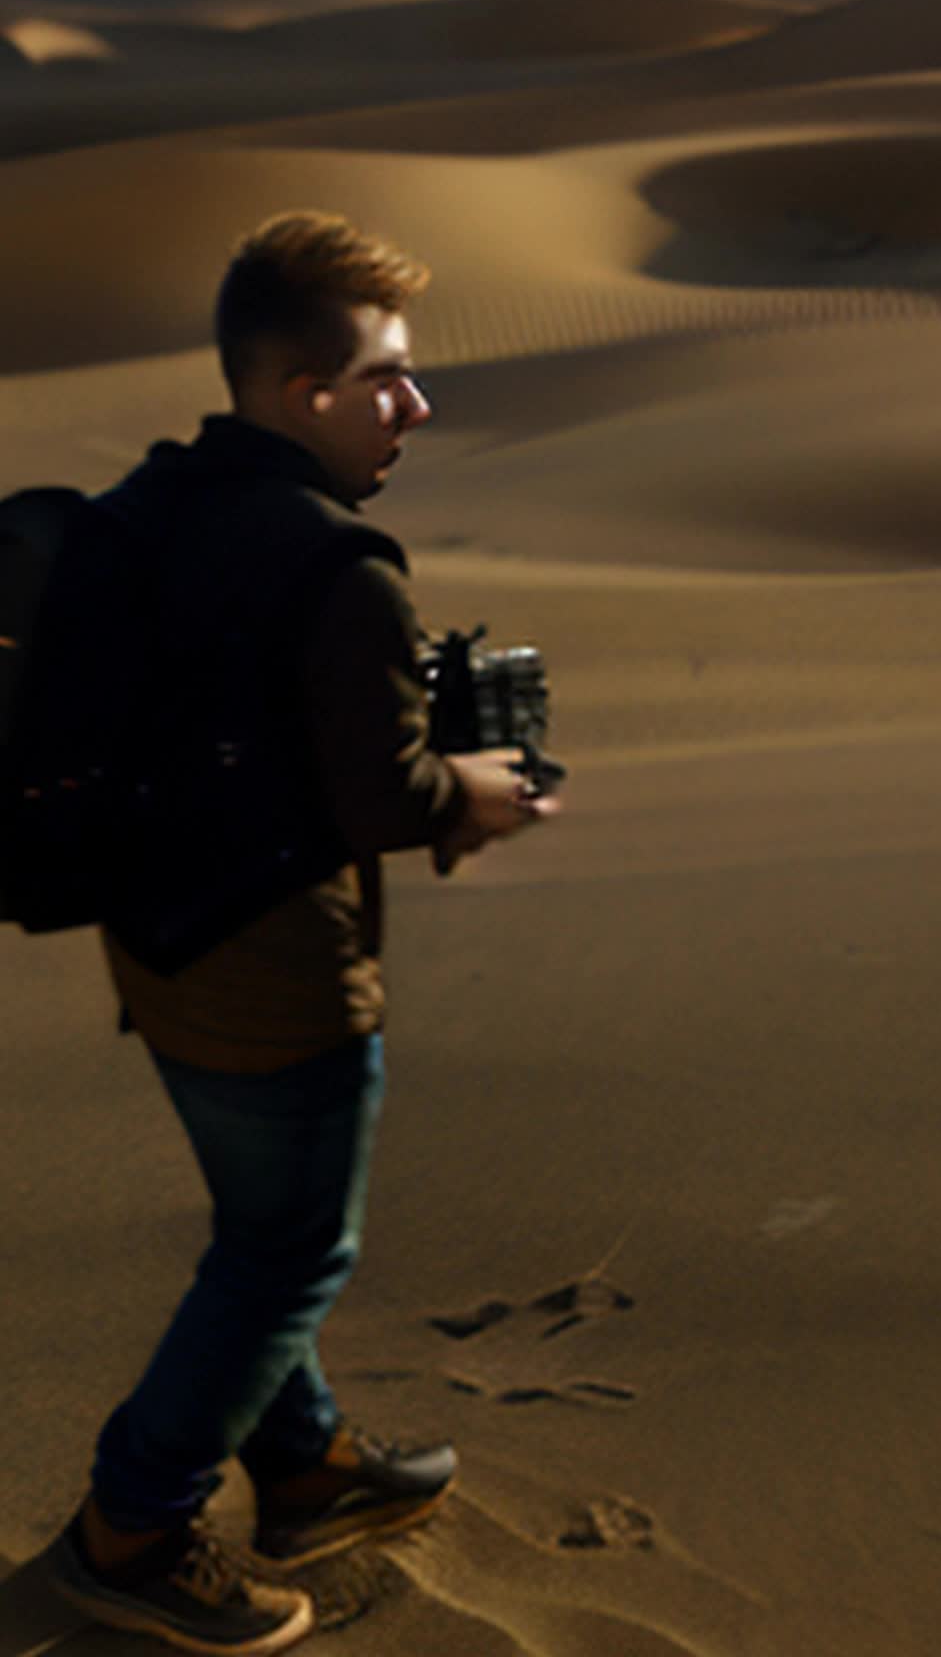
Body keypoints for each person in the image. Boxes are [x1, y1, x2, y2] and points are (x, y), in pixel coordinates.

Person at [44, 211, 557, 1653]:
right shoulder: (342, 564)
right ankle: (133, 1528)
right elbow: (386, 799)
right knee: (287, 1257)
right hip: (277, 971)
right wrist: (475, 788)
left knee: (258, 1230)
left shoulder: (150, 506)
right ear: (299, 394)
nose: (418, 404)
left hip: (154, 945)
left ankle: (312, 1467)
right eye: (387, 378)